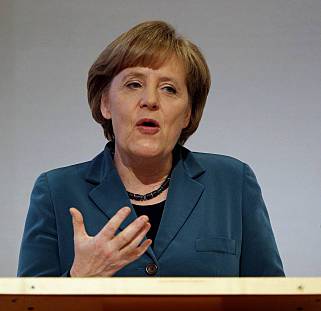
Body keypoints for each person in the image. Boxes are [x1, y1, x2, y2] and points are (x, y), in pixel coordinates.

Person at [17, 20, 284, 278]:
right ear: (105, 103)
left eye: (169, 89)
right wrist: (79, 278)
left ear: (188, 113)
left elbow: (275, 309)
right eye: (134, 84)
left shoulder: (232, 183)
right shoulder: (57, 191)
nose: (151, 100)